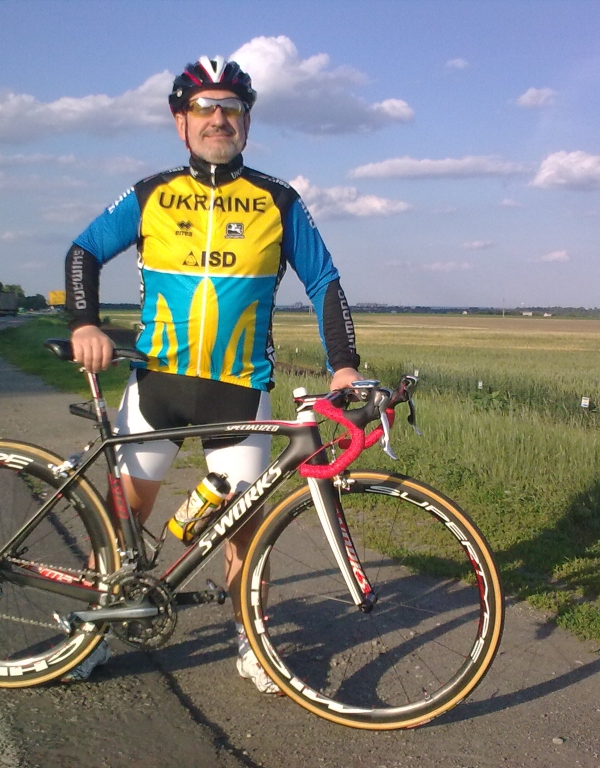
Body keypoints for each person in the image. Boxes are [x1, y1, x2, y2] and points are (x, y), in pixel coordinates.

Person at [64, 55, 361, 692]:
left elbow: (325, 282)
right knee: (123, 523)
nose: (218, 118)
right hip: (158, 386)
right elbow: (83, 251)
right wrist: (84, 323)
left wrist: (344, 366)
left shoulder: (278, 200)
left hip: (238, 392)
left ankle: (253, 641)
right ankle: (91, 635)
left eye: (231, 108)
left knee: (246, 533)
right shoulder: (151, 195)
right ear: (181, 121)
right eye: (204, 107)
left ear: (246, 122)